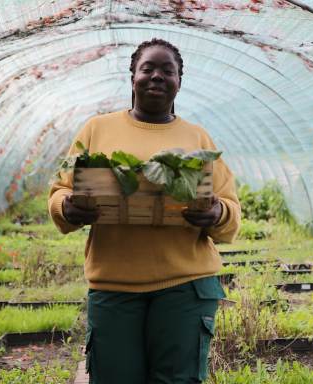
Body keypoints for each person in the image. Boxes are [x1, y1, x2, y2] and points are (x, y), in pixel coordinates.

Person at [48, 38, 241, 384]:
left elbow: (229, 208)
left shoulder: (197, 138)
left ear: (179, 82)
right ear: (132, 77)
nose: (157, 76)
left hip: (186, 285)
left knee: (177, 379)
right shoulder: (98, 129)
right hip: (114, 285)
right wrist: (67, 206)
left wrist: (217, 214)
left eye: (168, 71)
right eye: (147, 68)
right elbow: (61, 189)